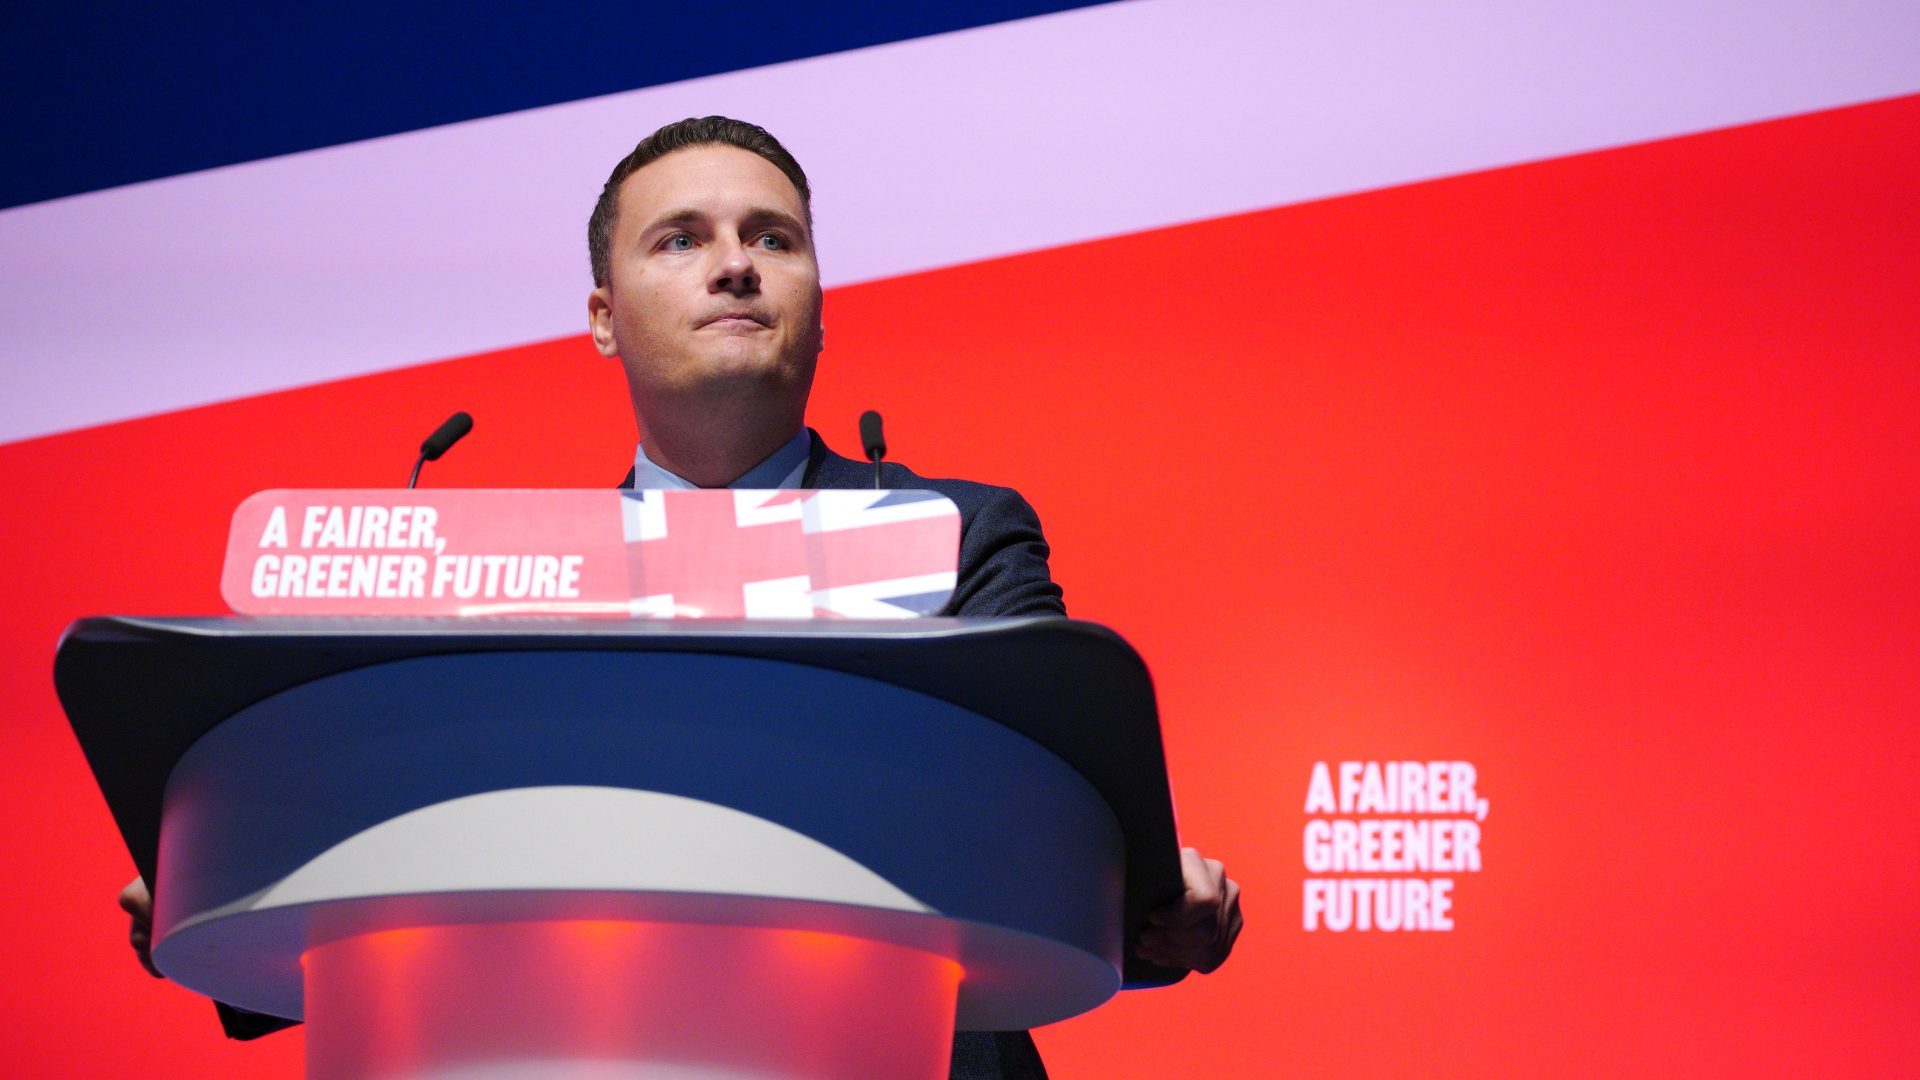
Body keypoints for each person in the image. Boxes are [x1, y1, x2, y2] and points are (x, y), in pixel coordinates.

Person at [120, 116, 1243, 1079]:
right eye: (682, 240)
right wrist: (223, 867)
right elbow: (360, 892)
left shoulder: (955, 540)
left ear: (819, 299)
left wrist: (1160, 902)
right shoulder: (485, 584)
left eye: (774, 238)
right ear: (604, 317)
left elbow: (1061, 841)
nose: (737, 265)